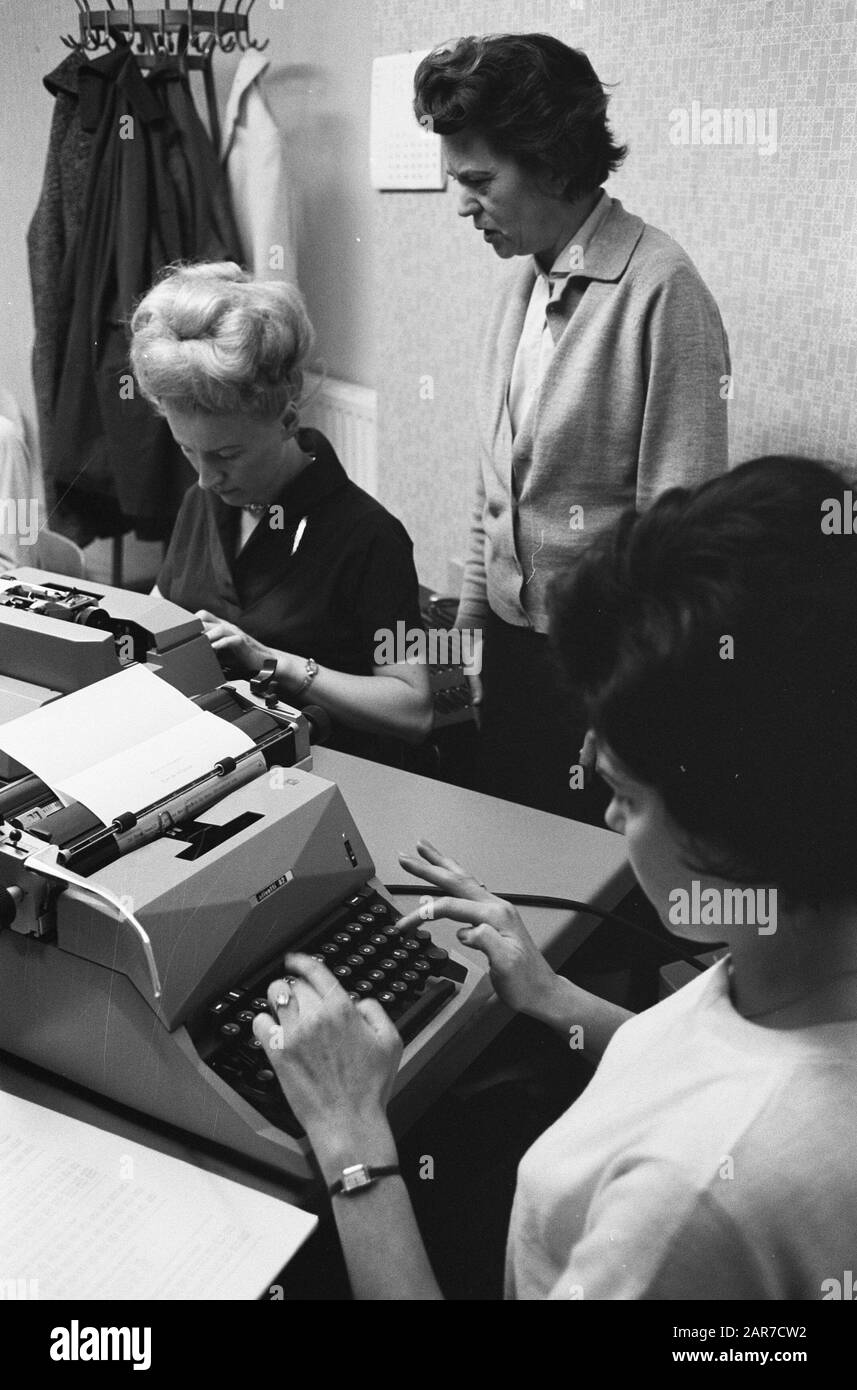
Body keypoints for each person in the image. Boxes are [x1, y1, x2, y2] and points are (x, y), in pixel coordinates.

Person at [251, 456, 857, 1299]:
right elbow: (726, 1058)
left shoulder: (684, 1209)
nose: (606, 817)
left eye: (622, 792)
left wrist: (353, 1141)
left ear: (747, 820)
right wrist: (552, 996)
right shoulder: (799, 947)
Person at [413, 33, 730, 820]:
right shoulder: (520, 284)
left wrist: (629, 708)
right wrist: (463, 657)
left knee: (582, 900)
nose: (461, 204)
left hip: (605, 672)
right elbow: (493, 501)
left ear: (554, 160)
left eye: (479, 180)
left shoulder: (661, 289)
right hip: (515, 660)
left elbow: (679, 543)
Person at [130, 262, 432, 760]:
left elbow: (412, 709)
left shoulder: (369, 536)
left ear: (287, 418)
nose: (206, 478)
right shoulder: (200, 502)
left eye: (226, 455)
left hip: (325, 772)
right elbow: (159, 615)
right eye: (188, 450)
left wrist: (275, 662)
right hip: (209, 758)